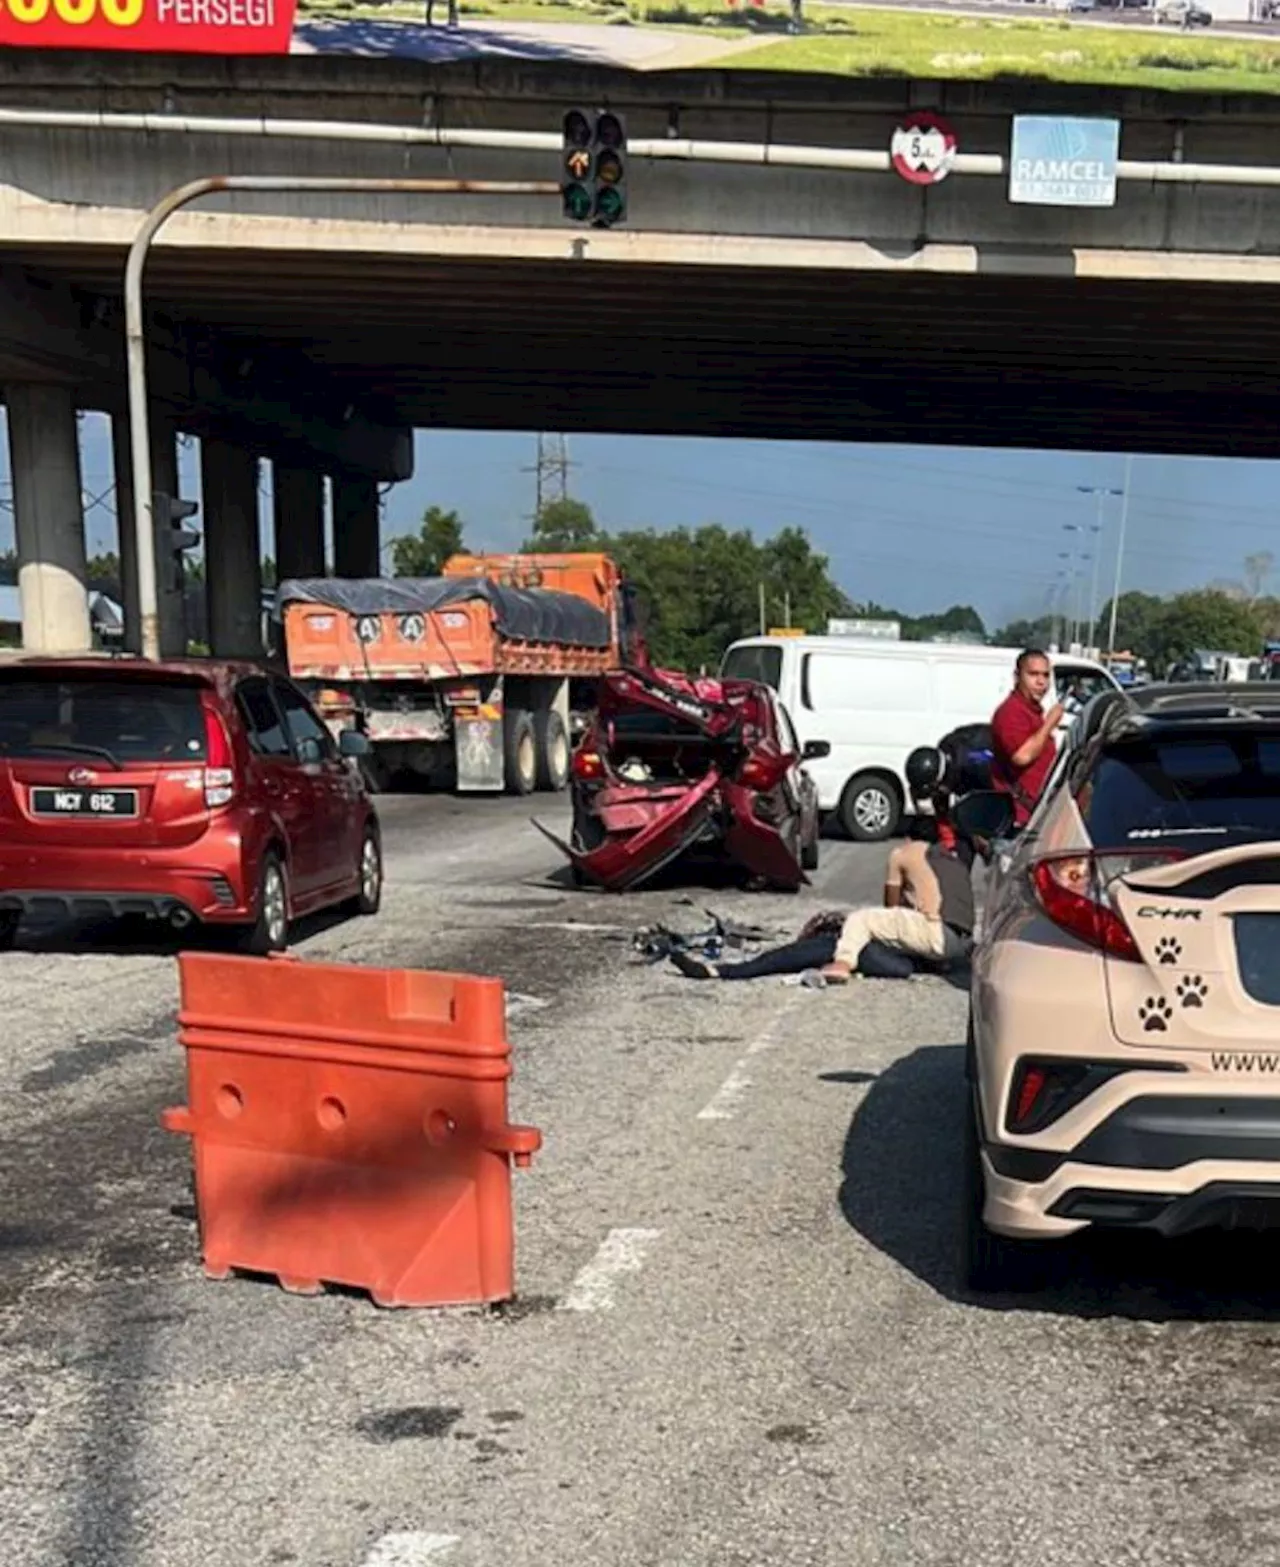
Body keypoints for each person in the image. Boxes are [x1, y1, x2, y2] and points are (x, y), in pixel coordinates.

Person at [669, 747, 976, 984]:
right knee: (881, 945)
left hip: (930, 938)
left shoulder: (904, 854)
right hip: (957, 942)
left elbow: (888, 908)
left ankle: (840, 964)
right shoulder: (952, 856)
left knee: (862, 921)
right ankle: (725, 971)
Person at [990, 649, 1063, 830]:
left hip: (1038, 813)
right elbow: (1022, 756)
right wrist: (1049, 724)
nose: (1041, 682)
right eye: (1033, 674)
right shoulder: (1011, 712)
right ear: (1017, 677)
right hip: (1019, 819)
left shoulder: (1033, 711)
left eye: (1046, 675)